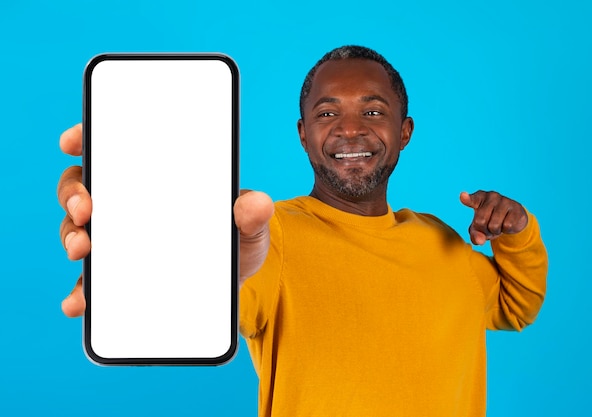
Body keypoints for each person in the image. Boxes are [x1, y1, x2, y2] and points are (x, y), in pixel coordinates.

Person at [57, 45, 548, 416]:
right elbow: (217, 296)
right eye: (328, 113)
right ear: (303, 135)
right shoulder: (271, 233)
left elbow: (516, 305)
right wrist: (150, 239)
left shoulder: (439, 240)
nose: (350, 129)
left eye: (373, 112)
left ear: (405, 132)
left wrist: (517, 231)